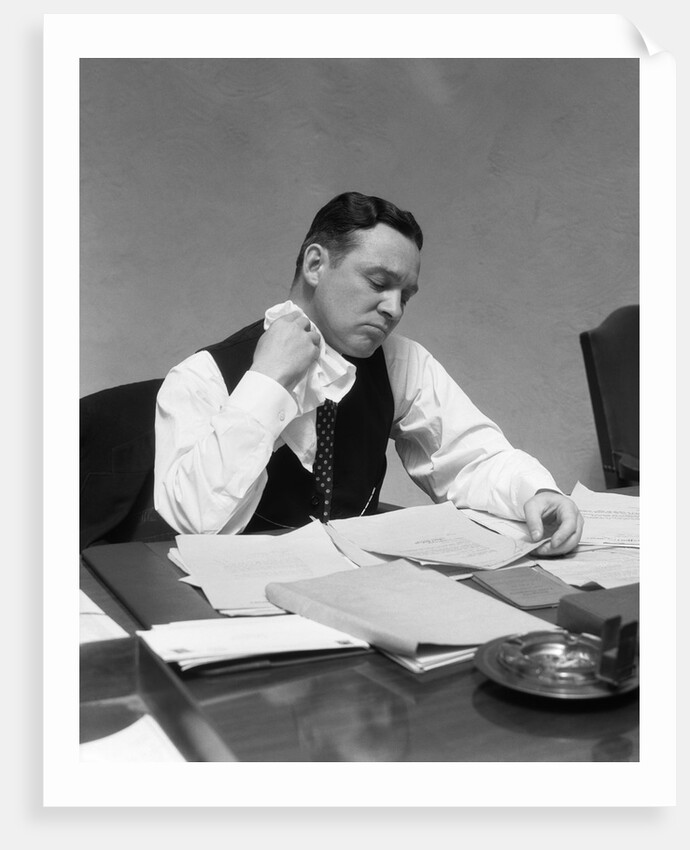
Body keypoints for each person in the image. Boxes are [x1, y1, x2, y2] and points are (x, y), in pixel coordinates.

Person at [154, 191, 583, 555]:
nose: (394, 310)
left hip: (359, 587)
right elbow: (195, 526)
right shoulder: (202, 376)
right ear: (316, 265)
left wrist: (537, 492)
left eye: (406, 296)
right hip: (237, 605)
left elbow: (471, 458)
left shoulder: (400, 362)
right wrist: (267, 384)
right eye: (379, 284)